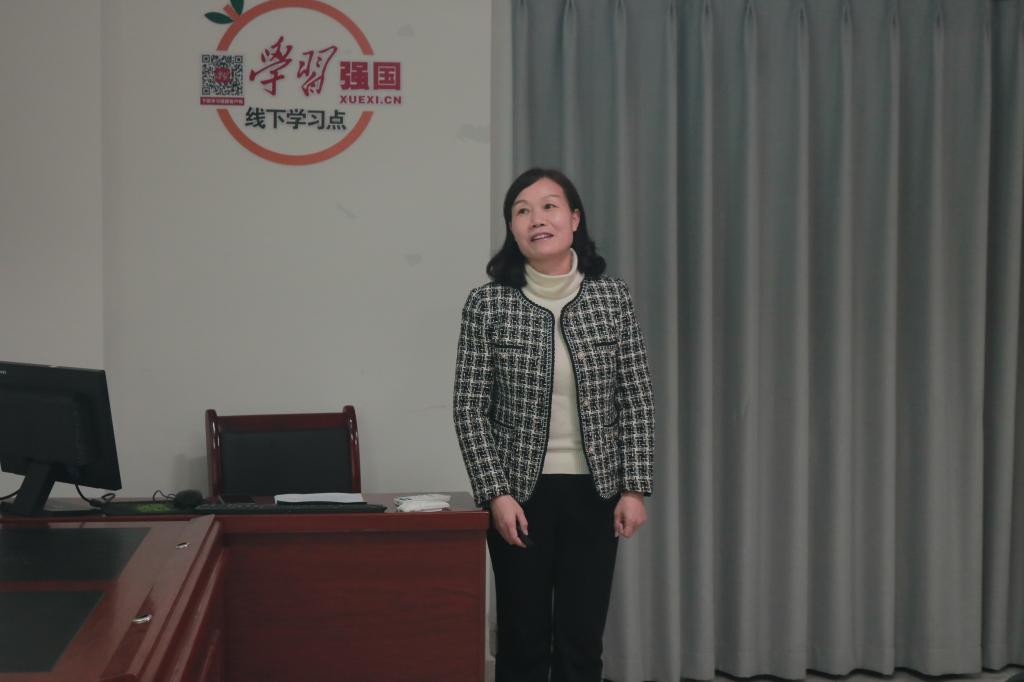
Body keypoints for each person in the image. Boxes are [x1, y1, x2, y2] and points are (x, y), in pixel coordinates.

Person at [453, 168, 655, 682]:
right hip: (520, 497)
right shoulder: (488, 304)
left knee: (581, 642)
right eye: (522, 210)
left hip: (595, 492)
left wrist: (634, 489)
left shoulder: (612, 299)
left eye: (549, 206)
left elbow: (635, 398)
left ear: (574, 218)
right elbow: (470, 408)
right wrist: (495, 495)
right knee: (521, 639)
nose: (536, 219)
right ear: (512, 228)